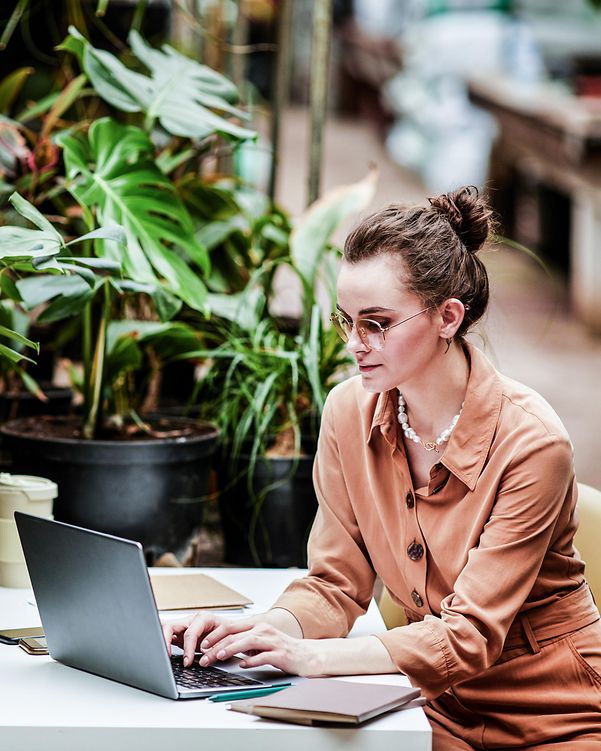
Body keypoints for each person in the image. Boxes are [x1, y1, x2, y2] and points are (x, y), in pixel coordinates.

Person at [163, 186, 601, 750]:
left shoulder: (532, 444)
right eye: (347, 321)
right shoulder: (349, 411)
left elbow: (468, 638)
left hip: (553, 717)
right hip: (428, 707)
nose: (354, 344)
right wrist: (257, 632)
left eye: (377, 323)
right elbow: (336, 584)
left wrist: (314, 658)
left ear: (448, 316)